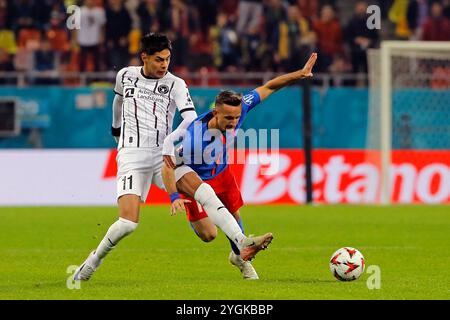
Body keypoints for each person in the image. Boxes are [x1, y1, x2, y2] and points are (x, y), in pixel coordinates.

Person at [161, 53, 318, 279]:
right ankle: (237, 247)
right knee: (208, 235)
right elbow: (169, 165)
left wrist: (299, 74)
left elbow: (270, 86)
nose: (234, 123)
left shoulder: (239, 108)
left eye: (236, 118)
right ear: (216, 113)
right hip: (197, 180)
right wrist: (175, 196)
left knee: (234, 215)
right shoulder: (193, 137)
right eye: (228, 119)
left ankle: (241, 258)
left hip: (223, 174)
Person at [73, 33, 198, 281]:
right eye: (159, 59)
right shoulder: (125, 75)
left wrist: (172, 141)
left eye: (168, 59)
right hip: (131, 154)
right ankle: (91, 263)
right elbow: (117, 103)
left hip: (163, 156)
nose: (164, 64)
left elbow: (190, 118)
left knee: (206, 212)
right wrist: (115, 128)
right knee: (128, 223)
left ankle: (241, 253)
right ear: (144, 57)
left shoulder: (175, 83)